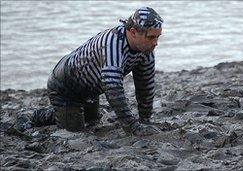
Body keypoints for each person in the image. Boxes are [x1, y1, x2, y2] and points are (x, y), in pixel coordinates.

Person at [29, 7, 163, 136]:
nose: (155, 43)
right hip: (65, 86)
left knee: (91, 121)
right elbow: (113, 90)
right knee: (74, 133)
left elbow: (145, 85)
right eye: (151, 37)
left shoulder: (146, 49)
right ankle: (35, 116)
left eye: (158, 37)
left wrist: (144, 120)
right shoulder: (113, 44)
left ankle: (61, 113)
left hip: (90, 91)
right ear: (133, 32)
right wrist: (132, 127)